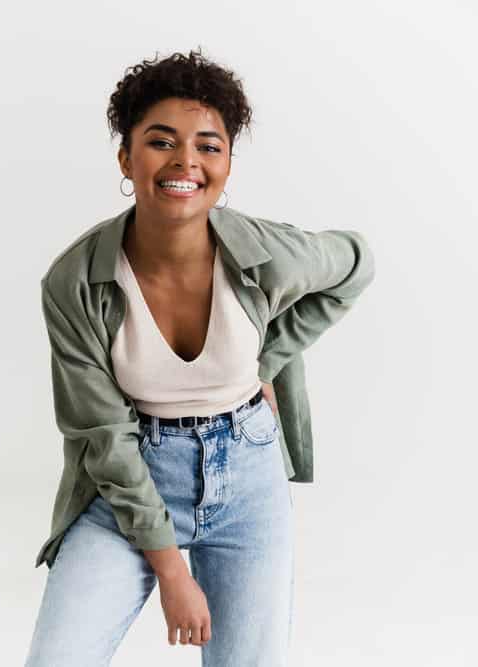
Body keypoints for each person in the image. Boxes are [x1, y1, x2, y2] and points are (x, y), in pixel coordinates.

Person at [24, 48, 375, 666]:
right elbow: (102, 435)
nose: (186, 159)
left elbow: (354, 263)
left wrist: (265, 363)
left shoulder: (268, 252)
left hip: (248, 481)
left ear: (228, 164)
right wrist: (171, 573)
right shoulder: (74, 282)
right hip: (129, 481)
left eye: (209, 146)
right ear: (126, 159)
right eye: (161, 141)